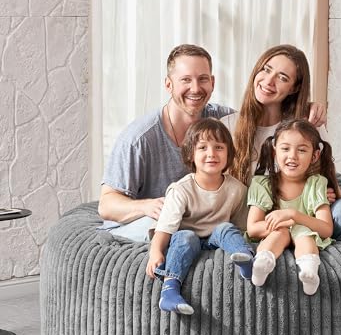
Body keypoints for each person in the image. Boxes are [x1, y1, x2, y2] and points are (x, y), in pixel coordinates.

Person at [99, 43, 326, 241]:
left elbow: (259, 118)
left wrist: (306, 108)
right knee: (168, 229)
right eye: (185, 80)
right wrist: (147, 206)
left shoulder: (221, 121)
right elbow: (106, 205)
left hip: (196, 217)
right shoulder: (140, 138)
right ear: (168, 85)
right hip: (151, 219)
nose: (195, 88)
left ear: (213, 82)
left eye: (203, 79)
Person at [222, 44, 341, 240]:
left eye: (282, 78)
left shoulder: (307, 125)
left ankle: (323, 251)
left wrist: (323, 195)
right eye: (266, 69)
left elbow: (329, 183)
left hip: (305, 215)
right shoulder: (228, 126)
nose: (269, 81)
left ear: (294, 88)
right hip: (258, 218)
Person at [146, 118, 254, 315]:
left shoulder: (237, 189)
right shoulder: (181, 190)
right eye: (203, 147)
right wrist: (156, 252)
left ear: (229, 154)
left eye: (219, 147)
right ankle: (169, 291)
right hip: (185, 239)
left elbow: (242, 227)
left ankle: (247, 261)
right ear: (191, 154)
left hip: (214, 239)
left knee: (226, 228)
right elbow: (165, 228)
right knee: (187, 236)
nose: (211, 154)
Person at [247, 119, 338, 294]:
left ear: (314, 156)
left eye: (302, 150)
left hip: (305, 235)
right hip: (275, 233)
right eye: (285, 148)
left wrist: (293, 215)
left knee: (303, 233)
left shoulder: (316, 184)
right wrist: (286, 225)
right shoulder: (262, 184)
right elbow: (252, 229)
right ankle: (262, 263)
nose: (292, 156)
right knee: (280, 231)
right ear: (274, 151)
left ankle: (309, 271)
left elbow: (326, 229)